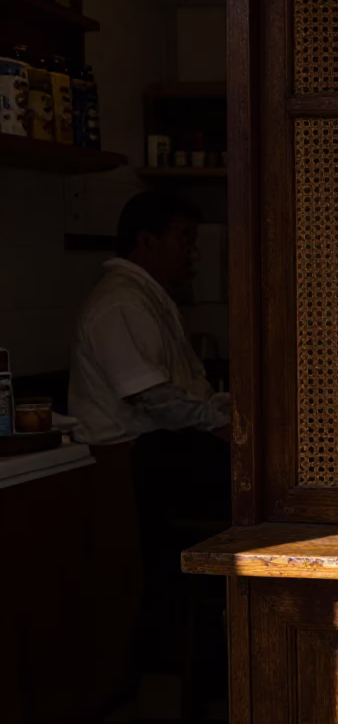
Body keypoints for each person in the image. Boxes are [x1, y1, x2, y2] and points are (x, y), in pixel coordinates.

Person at [69, 191, 232, 687]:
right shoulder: (119, 302)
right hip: (136, 459)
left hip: (164, 452)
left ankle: (211, 652)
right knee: (163, 572)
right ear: (146, 240)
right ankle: (175, 670)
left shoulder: (146, 295)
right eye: (184, 239)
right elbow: (154, 398)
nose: (195, 253)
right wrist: (220, 425)